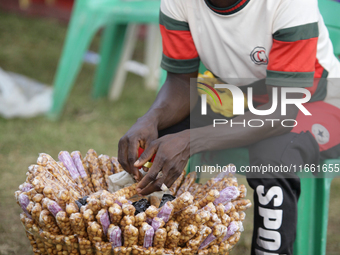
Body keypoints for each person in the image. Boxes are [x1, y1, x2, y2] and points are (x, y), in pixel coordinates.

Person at [118, 0, 340, 254]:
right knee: (160, 141)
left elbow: (282, 112)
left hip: (315, 101)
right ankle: (156, 243)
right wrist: (150, 119)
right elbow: (181, 82)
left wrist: (192, 140)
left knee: (275, 157)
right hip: (239, 98)